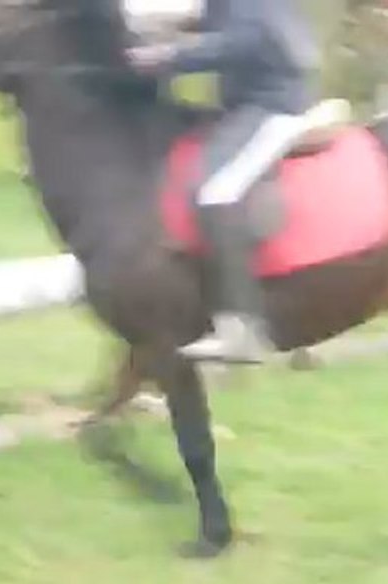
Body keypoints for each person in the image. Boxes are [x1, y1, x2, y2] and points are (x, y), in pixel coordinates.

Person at [127, 0, 321, 364]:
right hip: (243, 105)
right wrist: (155, 28)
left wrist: (168, 56)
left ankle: (242, 328)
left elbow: (244, 40)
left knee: (216, 193)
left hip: (272, 107)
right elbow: (210, 17)